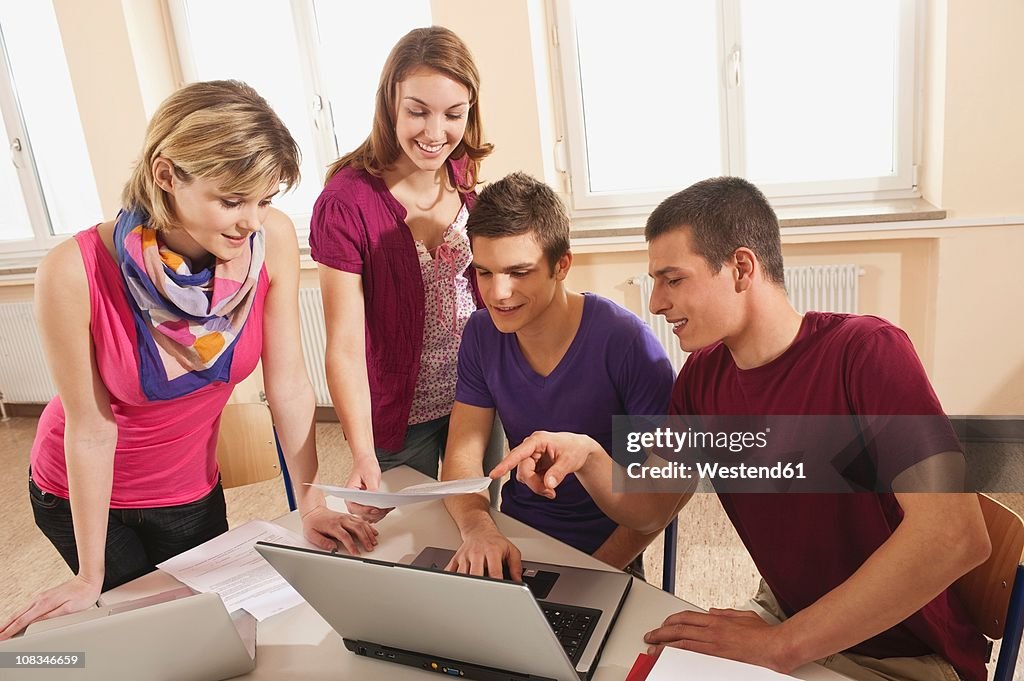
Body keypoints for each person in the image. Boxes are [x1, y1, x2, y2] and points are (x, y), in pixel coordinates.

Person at [492, 177, 991, 681]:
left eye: (673, 279)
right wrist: (590, 456)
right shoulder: (702, 378)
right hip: (792, 616)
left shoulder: (867, 351)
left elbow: (954, 537)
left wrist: (779, 646)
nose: (656, 303)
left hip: (904, 656)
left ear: (741, 268)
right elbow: (648, 509)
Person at [0, 80, 377, 640]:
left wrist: (311, 502)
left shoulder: (266, 241)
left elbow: (290, 384)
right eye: (231, 200)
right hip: (79, 491)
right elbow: (90, 430)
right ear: (166, 174)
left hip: (187, 489)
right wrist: (89, 575)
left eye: (265, 200)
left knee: (218, 632)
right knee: (150, 637)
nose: (251, 220)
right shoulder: (73, 270)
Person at [441, 172, 677, 579]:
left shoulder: (627, 343)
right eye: (484, 273)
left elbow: (661, 497)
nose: (498, 293)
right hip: (516, 534)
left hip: (608, 549)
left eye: (518, 272)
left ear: (561, 265)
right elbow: (463, 452)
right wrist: (479, 527)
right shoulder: (481, 334)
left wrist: (594, 575)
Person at [310, 27, 501, 520]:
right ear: (389, 104)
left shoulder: (463, 177)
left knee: (479, 529)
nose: (435, 133)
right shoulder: (345, 203)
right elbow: (345, 345)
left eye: (453, 115)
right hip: (398, 416)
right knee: (403, 542)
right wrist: (362, 452)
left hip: (475, 403)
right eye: (417, 111)